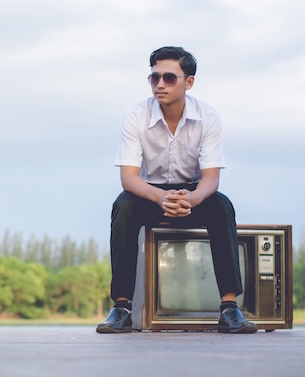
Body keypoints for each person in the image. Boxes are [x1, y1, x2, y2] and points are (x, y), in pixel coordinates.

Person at [96, 46, 257, 334]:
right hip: (149, 194)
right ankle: (121, 307)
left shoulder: (208, 116)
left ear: (189, 82)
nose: (160, 85)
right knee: (123, 205)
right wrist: (161, 197)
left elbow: (210, 178)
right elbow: (129, 178)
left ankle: (230, 309)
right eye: (154, 77)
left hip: (193, 195)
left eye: (169, 78)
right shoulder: (135, 115)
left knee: (222, 205)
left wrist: (193, 198)